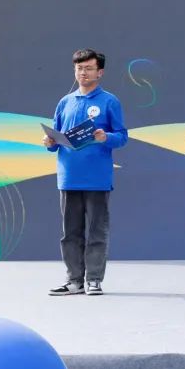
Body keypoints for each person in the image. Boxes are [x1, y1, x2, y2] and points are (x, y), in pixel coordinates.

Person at [45, 49, 128, 296]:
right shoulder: (65, 102)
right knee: (70, 233)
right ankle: (74, 280)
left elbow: (122, 137)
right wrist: (50, 142)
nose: (83, 73)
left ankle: (93, 279)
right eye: (79, 68)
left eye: (89, 68)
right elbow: (56, 138)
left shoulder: (109, 101)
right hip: (69, 177)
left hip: (97, 178)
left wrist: (106, 137)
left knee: (96, 231)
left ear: (100, 72)